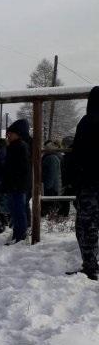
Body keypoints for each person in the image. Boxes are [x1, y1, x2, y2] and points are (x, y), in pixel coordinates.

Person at [67, 86, 99, 281]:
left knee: (86, 226)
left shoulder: (88, 122)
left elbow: (77, 155)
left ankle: (90, 265)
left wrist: (73, 181)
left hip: (90, 184)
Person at [3, 119, 32, 245]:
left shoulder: (20, 146)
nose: (8, 135)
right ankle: (17, 233)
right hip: (13, 184)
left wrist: (15, 182)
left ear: (18, 133)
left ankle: (20, 235)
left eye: (10, 133)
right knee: (14, 211)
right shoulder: (13, 146)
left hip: (18, 185)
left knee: (19, 211)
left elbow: (22, 168)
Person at [41, 140, 64, 217]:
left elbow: (51, 174)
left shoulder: (51, 158)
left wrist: (47, 186)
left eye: (45, 148)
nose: (43, 149)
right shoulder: (53, 156)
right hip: (52, 186)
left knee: (48, 208)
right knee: (49, 208)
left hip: (50, 188)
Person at [0, 137, 10, 228]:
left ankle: (3, 220)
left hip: (1, 179)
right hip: (6, 179)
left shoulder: (0, 152)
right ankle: (6, 219)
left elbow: (0, 164)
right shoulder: (7, 150)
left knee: (1, 201)